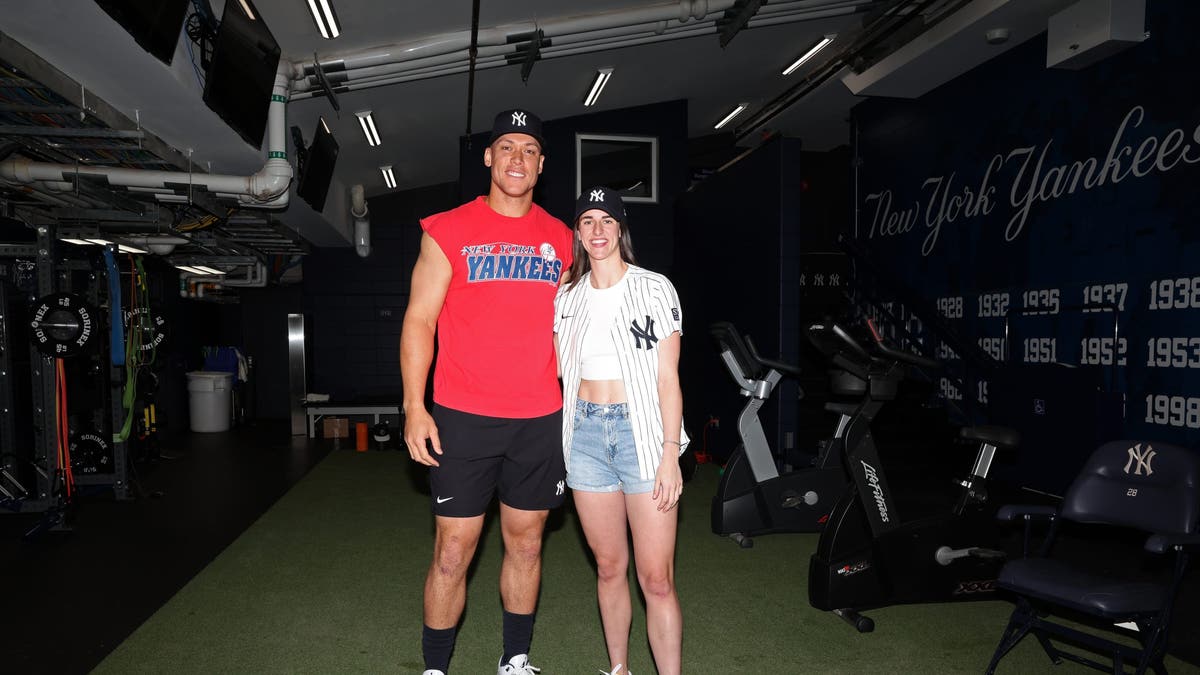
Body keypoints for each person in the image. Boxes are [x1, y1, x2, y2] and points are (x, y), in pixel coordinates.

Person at [401, 108, 573, 675]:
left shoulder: (563, 241)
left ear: (541, 164)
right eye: (506, 147)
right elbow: (419, 321)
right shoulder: (446, 230)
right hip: (463, 417)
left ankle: (515, 659)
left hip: (539, 420)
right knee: (453, 550)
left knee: (526, 545)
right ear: (487, 157)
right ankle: (435, 668)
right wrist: (413, 407)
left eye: (528, 149)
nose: (517, 159)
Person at [554, 187, 688, 675]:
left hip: (644, 437)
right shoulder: (565, 297)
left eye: (606, 220)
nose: (596, 230)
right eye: (587, 221)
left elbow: (668, 381)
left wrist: (670, 453)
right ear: (577, 232)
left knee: (656, 579)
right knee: (610, 569)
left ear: (621, 228)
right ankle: (619, 669)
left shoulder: (655, 288)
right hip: (585, 438)